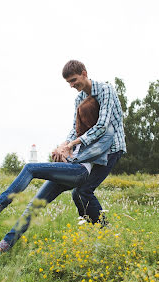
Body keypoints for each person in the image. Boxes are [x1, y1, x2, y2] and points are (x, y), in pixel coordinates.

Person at [0, 95, 114, 260]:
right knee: (33, 206)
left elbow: (90, 156)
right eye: (81, 117)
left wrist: (67, 152)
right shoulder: (78, 132)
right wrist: (60, 152)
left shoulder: (104, 135)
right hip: (69, 169)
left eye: (85, 117)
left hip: (79, 172)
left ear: (94, 116)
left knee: (30, 168)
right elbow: (68, 147)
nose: (82, 121)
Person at [53, 60, 126, 224]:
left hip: (111, 148)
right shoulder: (79, 98)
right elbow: (75, 128)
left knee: (84, 190)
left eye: (73, 80)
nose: (71, 85)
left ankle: (104, 230)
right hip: (92, 150)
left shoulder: (106, 90)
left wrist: (72, 145)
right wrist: (64, 145)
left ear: (84, 74)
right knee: (76, 193)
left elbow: (102, 126)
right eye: (68, 82)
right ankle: (92, 227)